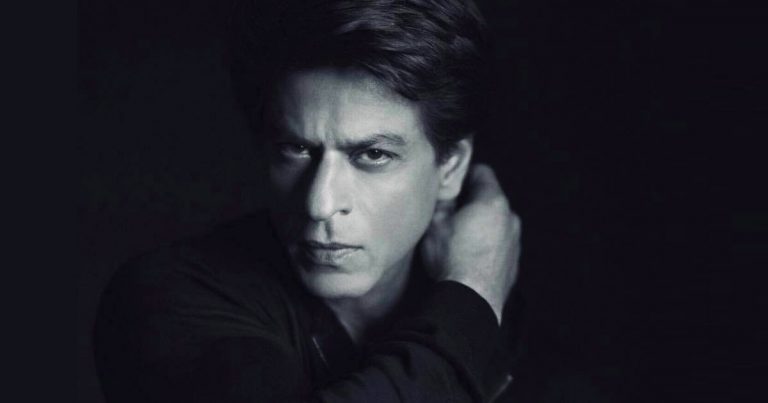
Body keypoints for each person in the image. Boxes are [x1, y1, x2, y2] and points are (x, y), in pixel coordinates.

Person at [94, 0, 523, 402]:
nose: (319, 204)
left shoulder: (530, 320)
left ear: (450, 167)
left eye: (373, 155)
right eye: (296, 149)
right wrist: (475, 290)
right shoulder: (168, 298)